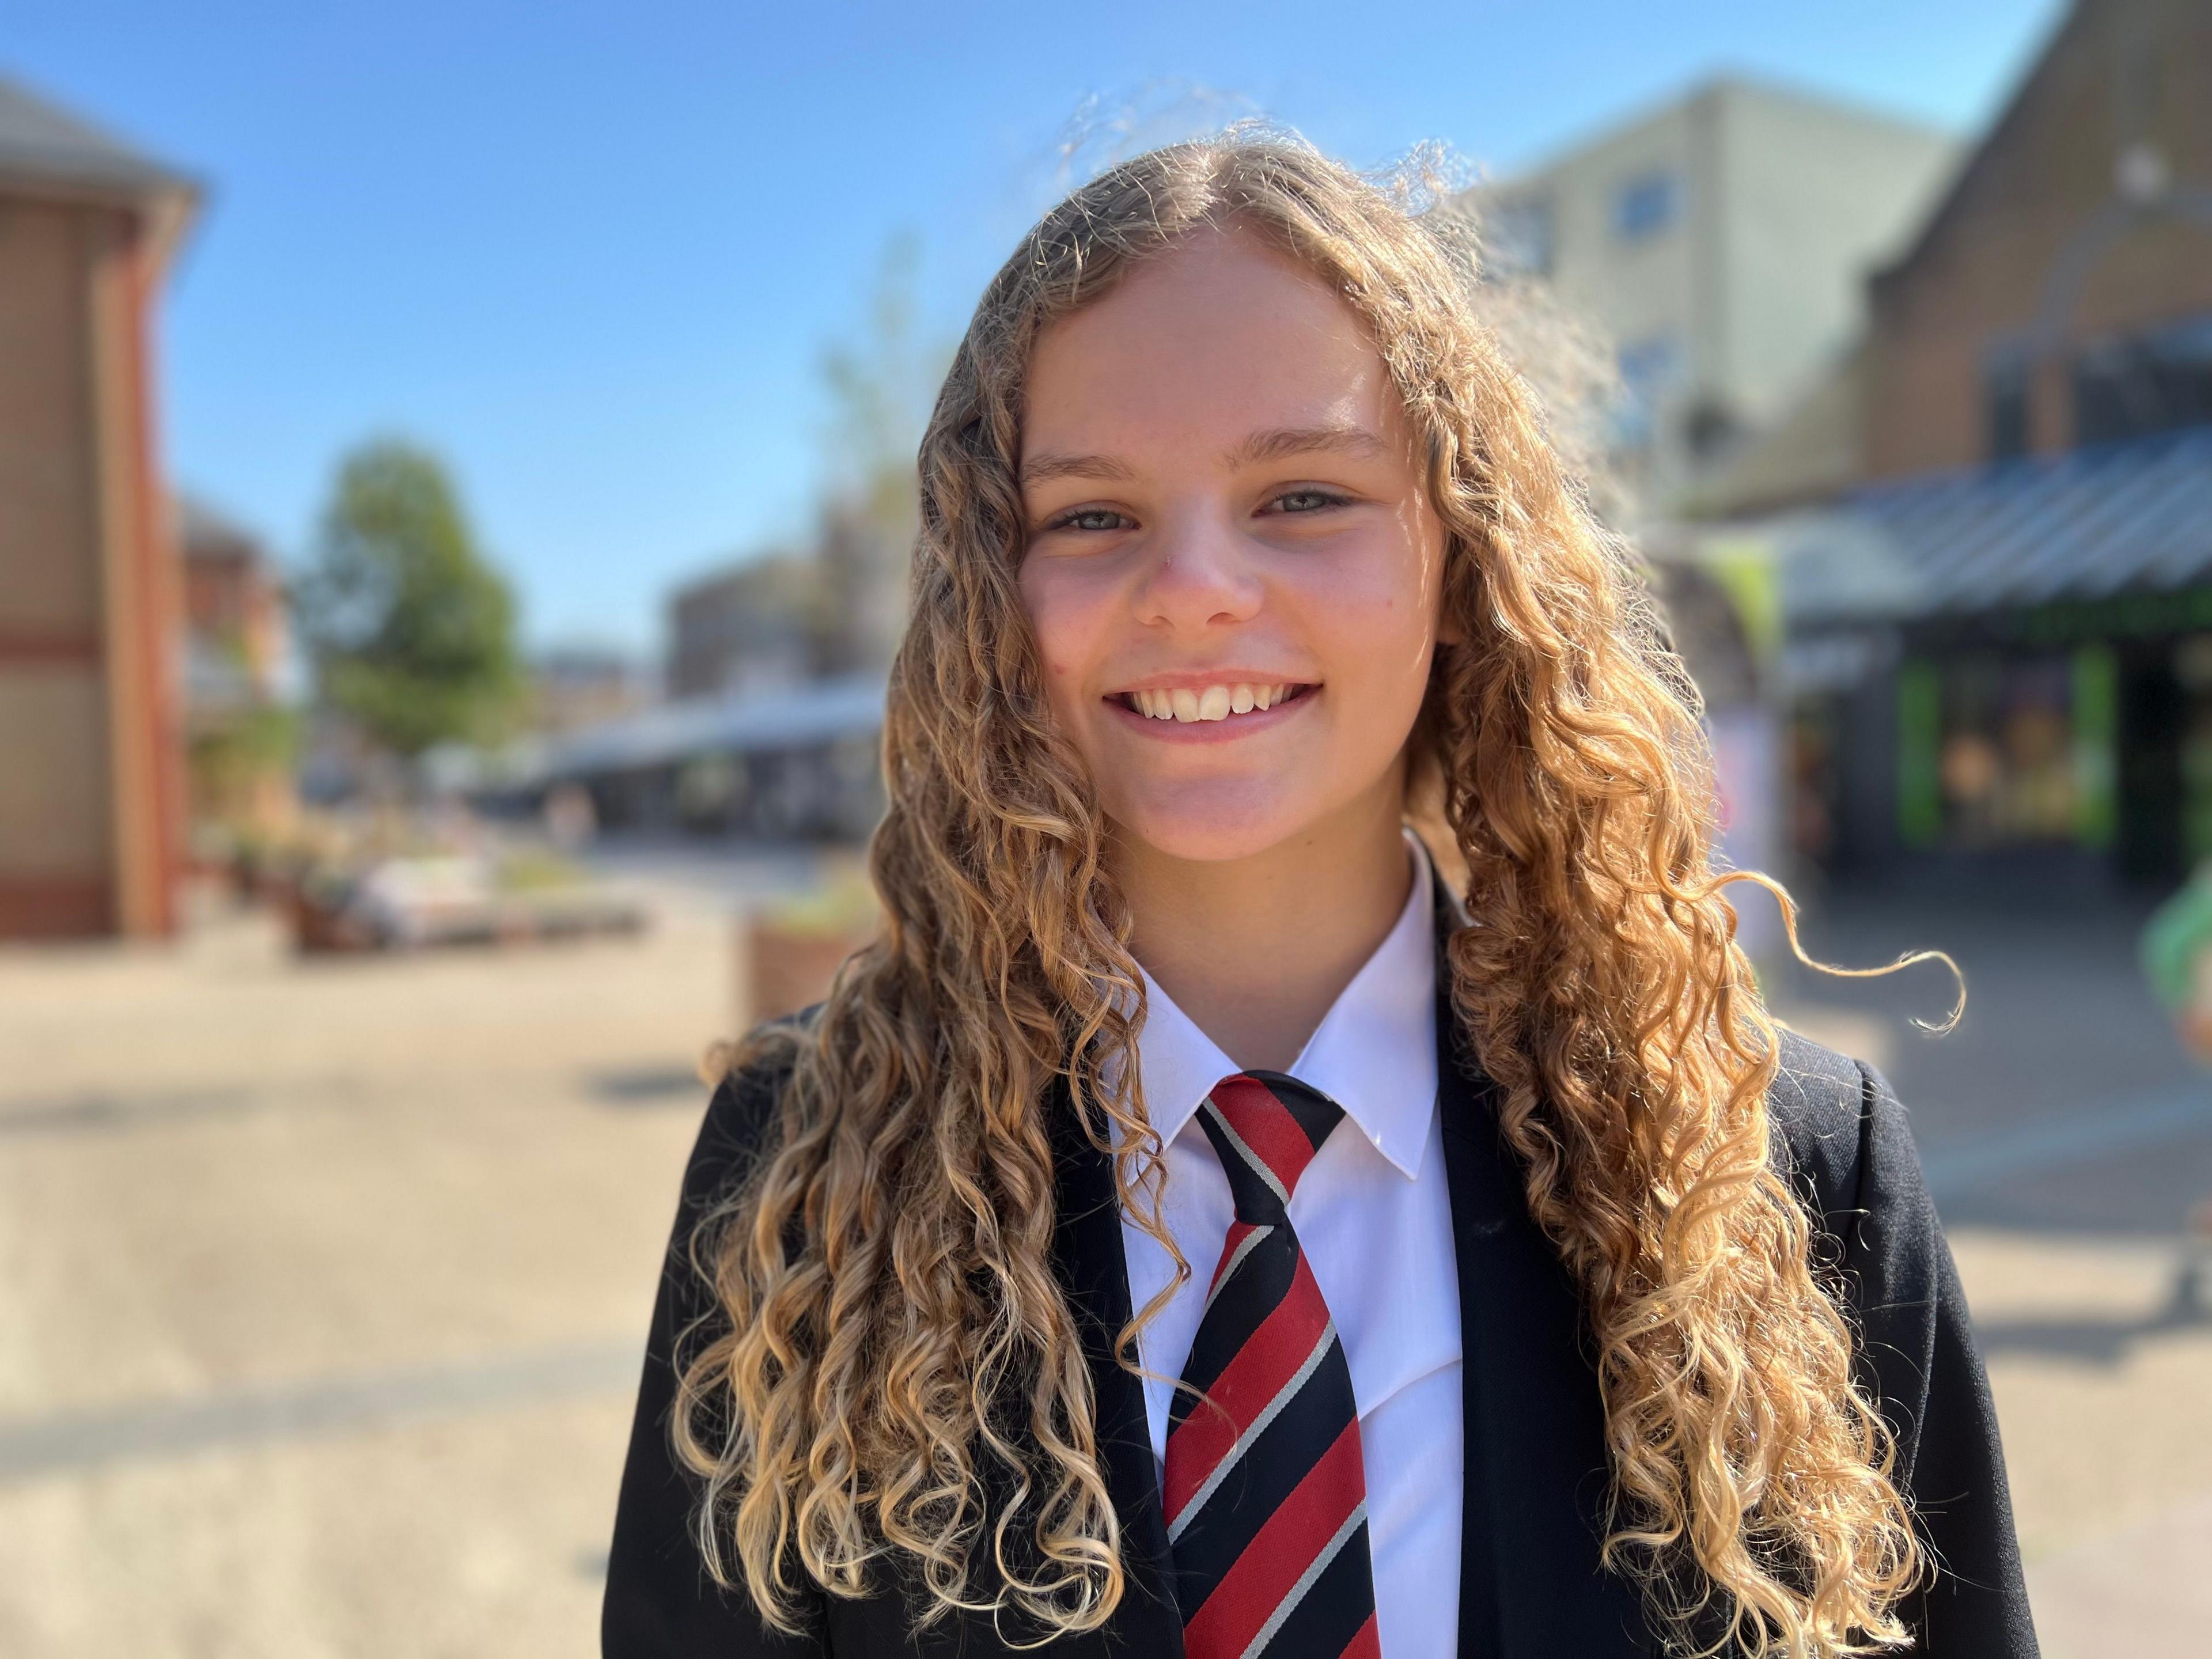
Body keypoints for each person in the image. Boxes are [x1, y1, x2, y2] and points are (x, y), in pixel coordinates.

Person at [603, 135, 2036, 1658]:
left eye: (1302, 494)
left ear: (1460, 552)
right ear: (987, 589)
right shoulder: (809, 1171)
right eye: (1091, 516)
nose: (1200, 587)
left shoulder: (1785, 1182)